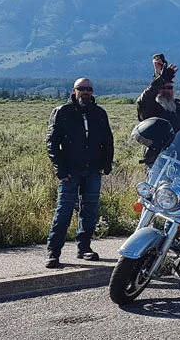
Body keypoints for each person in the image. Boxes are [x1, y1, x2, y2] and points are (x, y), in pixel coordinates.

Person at [44, 78, 114, 268]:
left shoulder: (99, 113)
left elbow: (108, 140)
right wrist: (60, 169)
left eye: (89, 89)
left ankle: (84, 248)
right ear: (73, 91)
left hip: (92, 170)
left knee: (90, 211)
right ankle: (53, 252)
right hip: (70, 170)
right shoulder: (62, 112)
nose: (86, 92)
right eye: (82, 89)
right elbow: (52, 143)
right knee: (63, 211)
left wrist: (106, 164)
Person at [137, 57, 180, 168]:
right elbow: (144, 100)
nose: (166, 90)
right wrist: (160, 78)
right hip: (156, 159)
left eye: (169, 87)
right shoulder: (151, 107)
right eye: (163, 87)